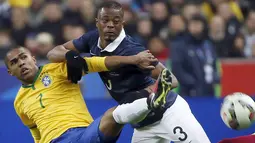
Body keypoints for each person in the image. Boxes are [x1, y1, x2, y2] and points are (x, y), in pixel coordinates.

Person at [47, 1, 211, 143]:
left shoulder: (132, 50)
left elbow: (172, 80)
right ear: (97, 22)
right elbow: (53, 53)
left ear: (122, 24)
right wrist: (71, 55)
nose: (110, 25)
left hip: (169, 112)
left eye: (116, 21)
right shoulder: (92, 39)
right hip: (143, 126)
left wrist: (148, 92)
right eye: (105, 20)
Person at [6, 46, 171, 143]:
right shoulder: (19, 102)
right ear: (10, 72)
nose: (21, 63)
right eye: (14, 62)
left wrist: (133, 59)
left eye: (23, 57)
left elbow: (96, 63)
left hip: (86, 134)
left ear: (33, 59)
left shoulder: (56, 69)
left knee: (113, 114)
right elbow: (36, 133)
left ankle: (152, 100)